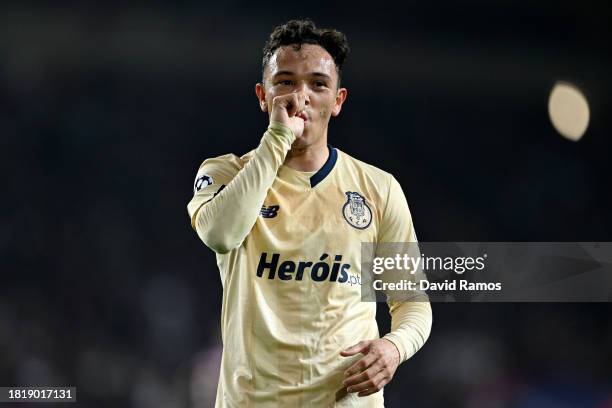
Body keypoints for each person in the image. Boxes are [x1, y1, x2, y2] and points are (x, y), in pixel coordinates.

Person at [187, 18, 432, 407]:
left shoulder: (379, 189)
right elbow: (221, 234)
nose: (300, 96)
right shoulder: (224, 173)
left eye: (318, 84)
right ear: (262, 96)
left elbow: (412, 302)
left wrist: (394, 347)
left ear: (337, 101)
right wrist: (278, 138)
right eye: (285, 82)